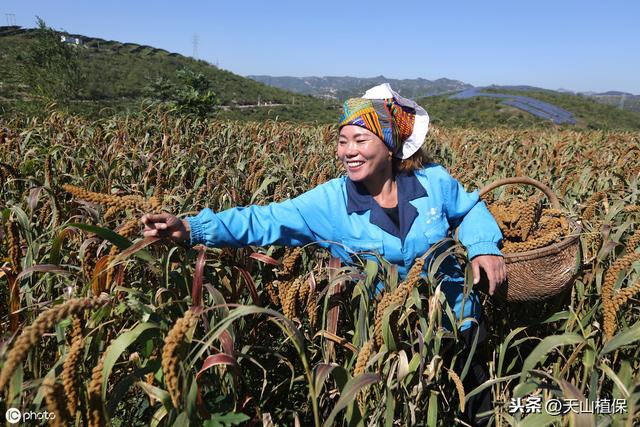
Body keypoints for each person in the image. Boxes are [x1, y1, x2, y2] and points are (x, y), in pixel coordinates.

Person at [141, 83, 506, 425]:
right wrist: (191, 229)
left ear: (389, 145)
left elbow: (470, 208)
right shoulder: (331, 203)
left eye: (360, 139)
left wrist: (483, 247)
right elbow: (264, 220)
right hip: (397, 344)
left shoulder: (432, 183)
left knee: (478, 413)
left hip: (460, 326)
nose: (349, 151)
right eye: (342, 140)